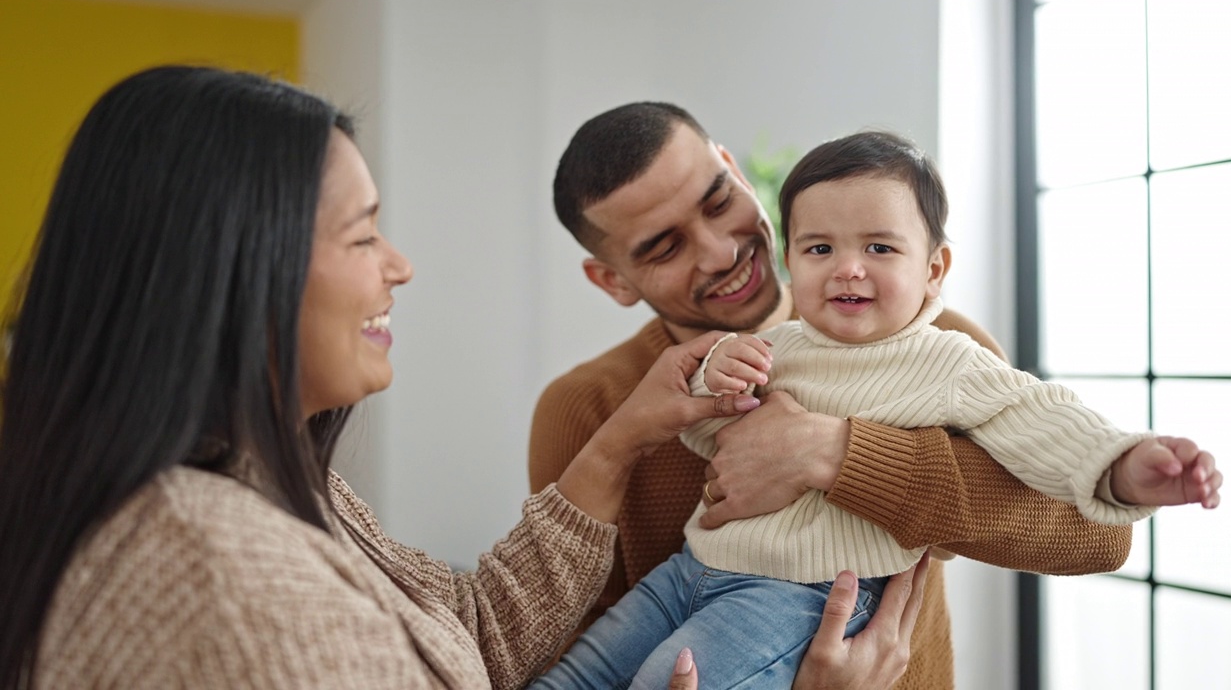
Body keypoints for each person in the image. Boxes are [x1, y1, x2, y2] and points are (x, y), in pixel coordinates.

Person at [0, 67, 923, 690]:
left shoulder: (281, 488)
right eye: (364, 236)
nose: (399, 266)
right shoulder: (214, 571)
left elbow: (462, 636)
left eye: (718, 202)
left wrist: (831, 451)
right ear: (239, 271)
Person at [528, 102, 1217, 688]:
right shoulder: (588, 406)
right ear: (612, 280)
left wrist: (835, 454)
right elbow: (575, 633)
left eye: (718, 201)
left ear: (736, 171)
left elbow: (1091, 538)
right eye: (664, 247)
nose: (718, 251)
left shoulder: (941, 347)